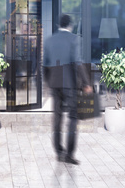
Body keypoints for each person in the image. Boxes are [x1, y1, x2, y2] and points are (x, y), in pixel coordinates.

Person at [43, 14, 92, 165]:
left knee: (57, 118)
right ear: (69, 25)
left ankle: (59, 152)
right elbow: (77, 61)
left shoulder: (49, 40)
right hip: (69, 83)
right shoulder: (74, 39)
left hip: (55, 83)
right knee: (72, 118)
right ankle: (69, 154)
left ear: (59, 24)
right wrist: (86, 82)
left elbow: (44, 64)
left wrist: (48, 82)